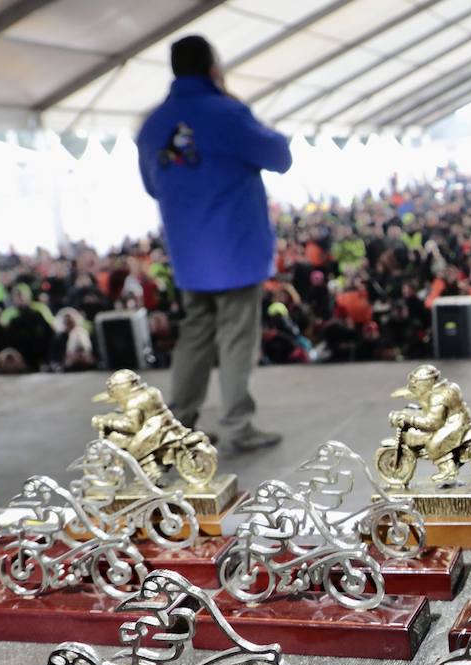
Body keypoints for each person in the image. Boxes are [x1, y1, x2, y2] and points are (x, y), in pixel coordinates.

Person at [137, 34, 291, 451]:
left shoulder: (152, 125)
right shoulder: (227, 112)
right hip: (236, 248)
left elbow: (153, 186)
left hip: (189, 253)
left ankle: (177, 427)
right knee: (237, 336)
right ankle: (238, 426)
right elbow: (280, 157)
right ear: (213, 67)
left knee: (195, 335)